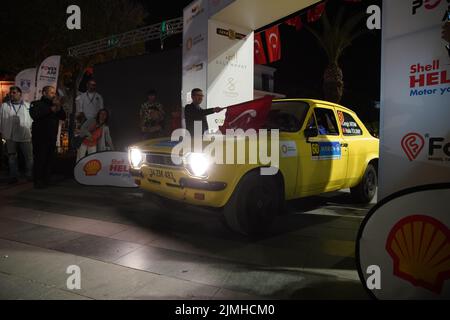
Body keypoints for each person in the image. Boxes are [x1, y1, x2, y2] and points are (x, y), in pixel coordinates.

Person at [30, 86, 66, 189]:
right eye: (51, 92)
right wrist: (51, 109)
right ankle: (38, 180)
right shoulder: (36, 103)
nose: (53, 95)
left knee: (49, 159)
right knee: (39, 159)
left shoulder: (55, 105)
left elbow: (63, 117)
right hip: (40, 138)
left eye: (54, 93)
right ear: (44, 93)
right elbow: (35, 115)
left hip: (51, 137)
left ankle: (46, 179)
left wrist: (58, 107)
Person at [0, 86, 33, 184]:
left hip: (24, 135)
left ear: (20, 94)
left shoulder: (27, 105)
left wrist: (30, 129)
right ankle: (14, 176)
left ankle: (29, 175)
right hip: (10, 136)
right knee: (12, 157)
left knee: (29, 157)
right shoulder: (4, 106)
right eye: (11, 93)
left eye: (14, 92)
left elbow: (32, 119)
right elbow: (1, 119)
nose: (12, 94)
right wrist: (2, 132)